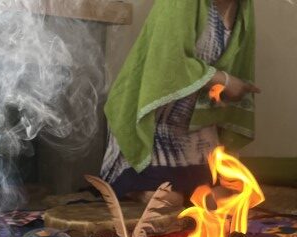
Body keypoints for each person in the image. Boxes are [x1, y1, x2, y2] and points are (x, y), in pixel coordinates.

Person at [101, 0, 260, 201]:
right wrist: (225, 80)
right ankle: (135, 186)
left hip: (196, 125)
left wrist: (233, 92)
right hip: (153, 120)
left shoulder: (244, 9)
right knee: (169, 200)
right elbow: (169, 60)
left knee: (221, 198)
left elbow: (238, 69)